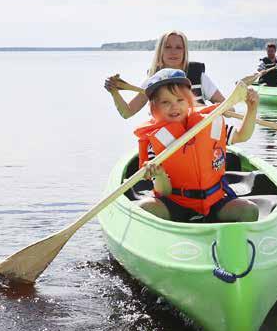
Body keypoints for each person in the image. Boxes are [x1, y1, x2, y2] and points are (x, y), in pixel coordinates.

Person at [134, 68, 260, 223]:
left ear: (189, 101)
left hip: (215, 201)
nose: (174, 107)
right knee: (145, 207)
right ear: (154, 108)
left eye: (180, 100)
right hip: (176, 203)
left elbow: (242, 135)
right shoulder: (156, 141)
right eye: (165, 102)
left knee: (249, 210)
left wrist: (252, 109)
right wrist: (159, 174)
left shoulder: (208, 122)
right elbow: (164, 192)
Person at [105, 30, 225, 118]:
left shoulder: (197, 75)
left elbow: (229, 107)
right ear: (160, 51)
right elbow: (127, 113)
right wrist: (114, 92)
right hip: (166, 144)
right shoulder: (153, 80)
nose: (173, 52)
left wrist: (216, 109)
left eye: (179, 47)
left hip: (197, 138)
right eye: (168, 47)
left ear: (185, 51)